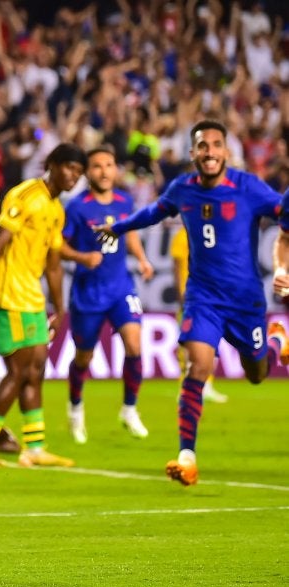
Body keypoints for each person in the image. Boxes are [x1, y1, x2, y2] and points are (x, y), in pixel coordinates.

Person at [96, 120, 289, 486]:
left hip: (246, 302)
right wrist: (118, 228)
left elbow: (284, 216)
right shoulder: (183, 189)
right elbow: (153, 212)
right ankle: (187, 456)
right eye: (203, 146)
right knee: (197, 365)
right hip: (203, 298)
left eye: (216, 145)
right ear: (192, 153)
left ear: (226, 152)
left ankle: (277, 338)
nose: (210, 152)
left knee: (257, 374)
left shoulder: (248, 187)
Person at [0, 143, 86, 469]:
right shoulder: (26, 195)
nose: (73, 176)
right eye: (69, 168)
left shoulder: (56, 208)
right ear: (53, 165)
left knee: (36, 370)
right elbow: (0, 240)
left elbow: (54, 263)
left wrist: (59, 308)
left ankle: (34, 445)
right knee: (19, 371)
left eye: (78, 172)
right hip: (7, 295)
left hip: (32, 298)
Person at [59, 146, 154, 444]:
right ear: (89, 172)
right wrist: (82, 258)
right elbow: (58, 246)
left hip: (121, 288)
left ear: (116, 170)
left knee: (135, 344)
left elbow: (131, 232)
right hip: (89, 293)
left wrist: (142, 258)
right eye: (97, 166)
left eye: (109, 165)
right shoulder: (77, 207)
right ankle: (75, 407)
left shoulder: (125, 201)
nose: (103, 171)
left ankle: (129, 408)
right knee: (84, 358)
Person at [170, 226, 229, 403]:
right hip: (189, 295)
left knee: (209, 341)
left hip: (209, 295)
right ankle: (185, 385)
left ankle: (207, 385)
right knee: (188, 345)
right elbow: (177, 266)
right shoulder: (182, 236)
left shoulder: (211, 234)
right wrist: (180, 294)